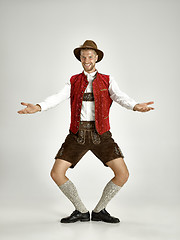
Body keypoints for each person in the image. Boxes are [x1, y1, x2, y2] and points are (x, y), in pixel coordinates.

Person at [18, 40, 154, 224]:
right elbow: (58, 97)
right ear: (80, 59)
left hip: (102, 135)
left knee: (123, 174)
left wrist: (135, 106)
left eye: (90, 56)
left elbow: (120, 97)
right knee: (56, 173)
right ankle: (81, 210)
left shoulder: (108, 79)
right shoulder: (73, 80)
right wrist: (39, 106)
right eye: (83, 57)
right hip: (77, 135)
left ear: (96, 58)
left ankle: (99, 210)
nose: (87, 59)